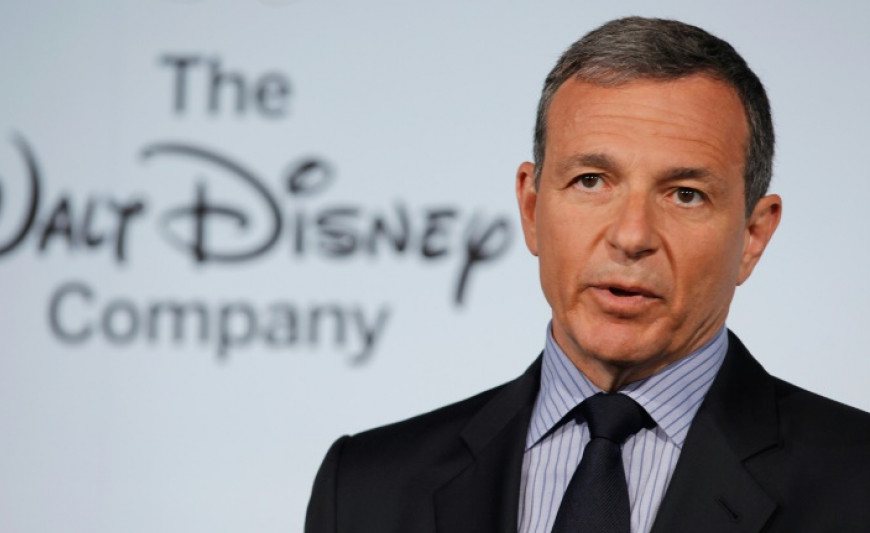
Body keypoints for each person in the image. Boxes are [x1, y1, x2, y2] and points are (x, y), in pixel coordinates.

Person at [305, 16, 870, 533]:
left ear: (753, 235)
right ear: (531, 208)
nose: (631, 235)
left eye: (685, 194)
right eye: (591, 181)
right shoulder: (362, 490)